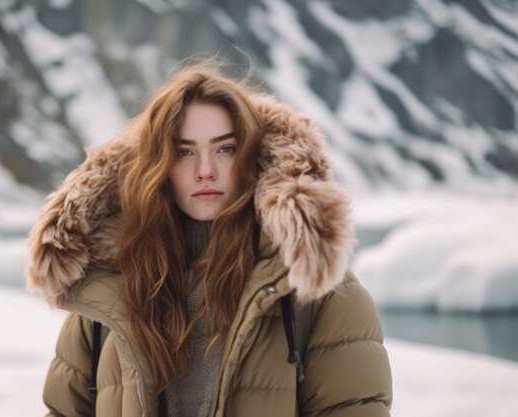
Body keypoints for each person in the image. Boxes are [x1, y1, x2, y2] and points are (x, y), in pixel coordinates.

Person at [26, 61, 392, 417]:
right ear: (159, 165)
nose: (205, 171)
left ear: (252, 155)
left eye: (225, 148)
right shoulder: (109, 288)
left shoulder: (318, 290)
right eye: (184, 152)